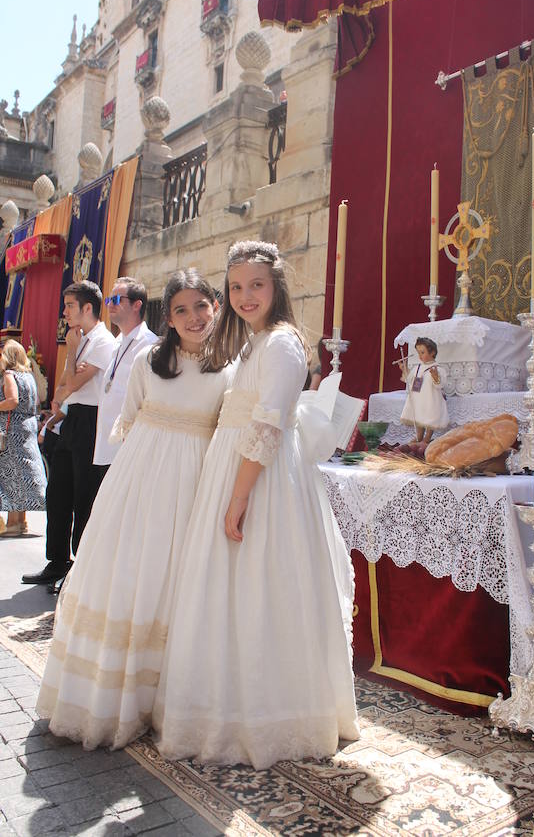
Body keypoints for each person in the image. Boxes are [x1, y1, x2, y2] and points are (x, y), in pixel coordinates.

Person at [153, 241, 359, 770]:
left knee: (260, 585)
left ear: (276, 287)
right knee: (230, 588)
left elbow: (268, 425)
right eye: (237, 287)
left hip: (261, 481)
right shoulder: (255, 342)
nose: (245, 296)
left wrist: (239, 496)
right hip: (238, 466)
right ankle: (228, 702)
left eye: (256, 286)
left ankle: (271, 713)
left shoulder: (284, 345)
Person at [36, 269, 232, 750]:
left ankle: (168, 696)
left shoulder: (230, 367)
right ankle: (113, 694)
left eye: (200, 307)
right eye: (181, 309)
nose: (193, 318)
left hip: (195, 482)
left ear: (215, 307)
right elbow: (133, 418)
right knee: (129, 571)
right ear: (168, 317)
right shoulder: (149, 360)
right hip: (142, 477)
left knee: (175, 579)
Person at [22, 281, 116, 587]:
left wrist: (73, 351)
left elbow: (72, 386)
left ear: (87, 308)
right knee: (58, 492)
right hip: (70, 418)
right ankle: (57, 560)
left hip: (91, 421)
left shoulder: (102, 341)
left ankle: (81, 570)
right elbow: (63, 385)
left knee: (83, 495)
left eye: (70, 306)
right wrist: (62, 399)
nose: (64, 312)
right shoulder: (80, 338)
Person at [92, 276, 157, 477]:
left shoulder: (148, 344)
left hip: (128, 445)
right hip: (107, 443)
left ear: (137, 305)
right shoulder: (118, 343)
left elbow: (150, 396)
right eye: (109, 300)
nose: (111, 305)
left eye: (117, 300)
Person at [0, 340, 47, 534]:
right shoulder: (29, 376)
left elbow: (11, 401)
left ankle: (12, 523)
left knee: (11, 474)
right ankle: (22, 520)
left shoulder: (10, 375)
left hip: (12, 431)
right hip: (27, 427)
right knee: (24, 473)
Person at [399, 336, 449, 444]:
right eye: (418, 353)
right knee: (418, 415)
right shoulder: (418, 367)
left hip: (430, 398)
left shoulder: (438, 368)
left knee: (429, 416)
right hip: (418, 397)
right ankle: (419, 436)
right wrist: (405, 369)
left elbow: (440, 384)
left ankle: (427, 438)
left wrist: (435, 376)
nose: (420, 356)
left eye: (422, 352)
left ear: (432, 352)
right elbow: (410, 380)